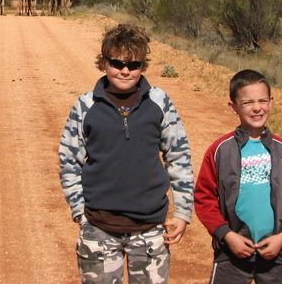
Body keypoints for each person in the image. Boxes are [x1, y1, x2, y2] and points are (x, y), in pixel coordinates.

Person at [59, 24, 194, 284]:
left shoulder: (159, 101)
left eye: (134, 64)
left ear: (143, 65)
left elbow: (179, 156)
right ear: (103, 62)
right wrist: (80, 212)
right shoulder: (85, 105)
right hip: (99, 226)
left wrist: (183, 211)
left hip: (151, 228)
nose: (125, 70)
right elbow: (68, 162)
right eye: (117, 62)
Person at [194, 69, 282, 284]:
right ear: (233, 107)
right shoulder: (220, 150)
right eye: (248, 102)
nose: (257, 108)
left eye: (262, 100)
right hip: (231, 254)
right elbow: (204, 198)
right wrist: (226, 235)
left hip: (277, 254)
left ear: (271, 102)